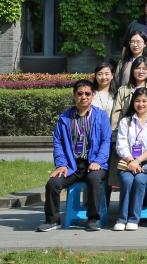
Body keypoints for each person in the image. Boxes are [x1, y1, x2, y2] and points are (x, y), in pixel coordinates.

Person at [37, 80, 111, 232]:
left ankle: (93, 219)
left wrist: (98, 161)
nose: (84, 97)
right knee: (52, 184)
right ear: (74, 96)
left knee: (94, 179)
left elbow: (106, 141)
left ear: (93, 96)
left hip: (94, 164)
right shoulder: (64, 118)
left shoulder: (101, 116)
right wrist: (61, 164)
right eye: (80, 93)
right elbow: (58, 143)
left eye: (87, 94)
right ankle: (52, 220)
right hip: (71, 166)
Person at [113, 88, 147, 231]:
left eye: (144, 101)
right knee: (127, 180)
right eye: (137, 101)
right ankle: (121, 218)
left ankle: (133, 219)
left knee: (140, 179)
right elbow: (121, 145)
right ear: (133, 103)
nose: (141, 104)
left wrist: (138, 161)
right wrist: (131, 161)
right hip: (128, 162)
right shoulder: (126, 121)